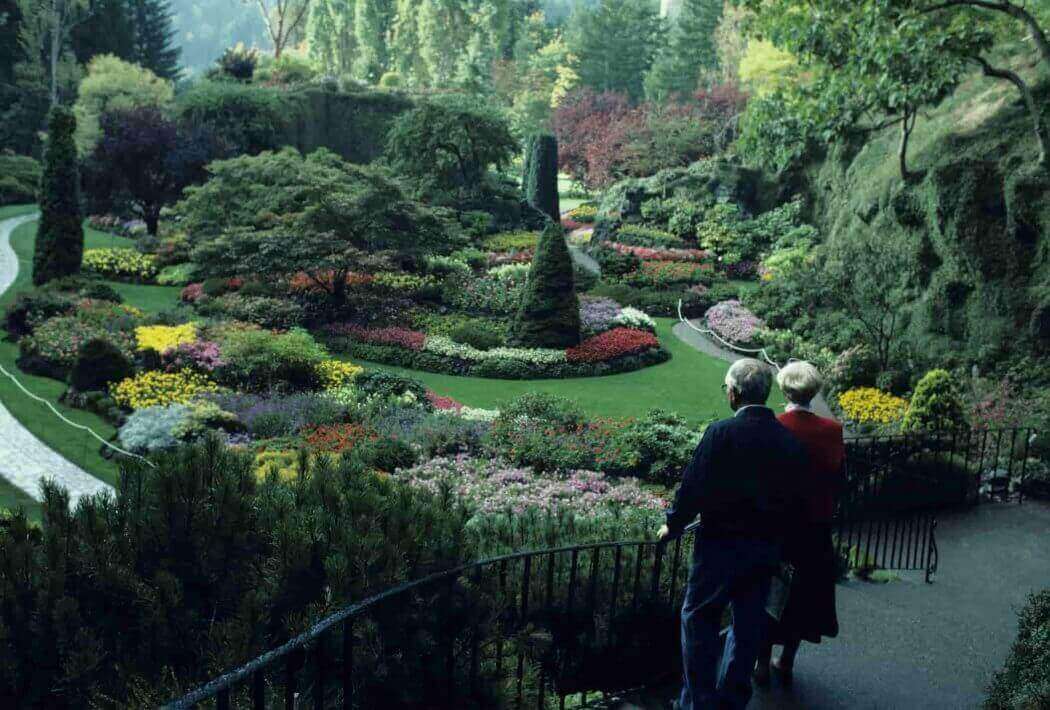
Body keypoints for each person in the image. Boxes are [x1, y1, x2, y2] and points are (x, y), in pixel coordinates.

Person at [659, 358, 808, 710]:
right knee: (748, 626)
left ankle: (698, 702)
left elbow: (691, 488)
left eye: (727, 388)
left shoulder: (720, 433)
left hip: (719, 548)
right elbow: (795, 501)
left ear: (735, 394)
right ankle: (731, 700)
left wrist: (673, 524)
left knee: (698, 620)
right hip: (764, 550)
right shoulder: (788, 441)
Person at [754, 361, 844, 688]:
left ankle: (761, 663)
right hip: (815, 530)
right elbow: (838, 481)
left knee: (769, 595)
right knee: (805, 598)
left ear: (784, 389)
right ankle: (787, 660)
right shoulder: (832, 431)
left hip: (777, 530)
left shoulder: (776, 426)